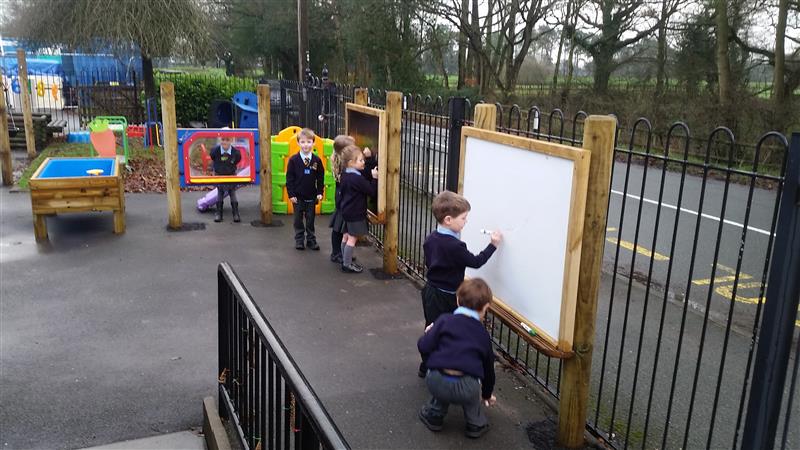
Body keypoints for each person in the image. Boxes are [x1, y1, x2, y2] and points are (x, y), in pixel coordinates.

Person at [418, 190, 502, 377]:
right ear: (448, 219)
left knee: (432, 326)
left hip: (430, 291)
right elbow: (476, 261)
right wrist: (493, 245)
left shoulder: (432, 238)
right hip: (446, 296)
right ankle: (439, 367)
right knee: (446, 329)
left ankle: (426, 365)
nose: (466, 222)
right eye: (463, 218)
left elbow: (430, 262)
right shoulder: (455, 246)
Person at [417, 278, 497, 439]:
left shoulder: (444, 320)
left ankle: (434, 415)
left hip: (436, 381)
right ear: (485, 308)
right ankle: (475, 424)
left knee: (441, 388)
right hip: (467, 388)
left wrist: (429, 335)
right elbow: (489, 370)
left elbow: (423, 346)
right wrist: (487, 394)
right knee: (473, 394)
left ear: (457, 300)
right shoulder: (483, 335)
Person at [335, 145, 378, 273]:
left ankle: (344, 259)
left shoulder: (346, 174)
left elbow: (364, 172)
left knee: (346, 236)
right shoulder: (356, 178)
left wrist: (369, 159)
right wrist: (375, 178)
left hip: (346, 210)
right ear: (351, 163)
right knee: (352, 239)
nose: (363, 162)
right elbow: (371, 191)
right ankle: (347, 265)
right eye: (361, 160)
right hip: (355, 212)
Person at [286, 128, 325, 250]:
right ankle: (299, 240)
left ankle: (311, 240)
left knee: (310, 219)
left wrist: (319, 192)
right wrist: (291, 194)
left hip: (311, 196)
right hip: (297, 196)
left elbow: (320, 177)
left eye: (308, 142)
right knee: (298, 219)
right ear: (298, 143)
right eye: (302, 142)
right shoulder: (293, 160)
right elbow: (289, 178)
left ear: (313, 143)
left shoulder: (316, 160)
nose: (306, 145)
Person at [328, 135, 355, 263]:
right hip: (343, 199)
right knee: (338, 228)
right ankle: (336, 253)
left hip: (341, 197)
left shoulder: (339, 160)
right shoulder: (344, 166)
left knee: (341, 227)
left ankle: (341, 252)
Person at [209, 134, 243, 223]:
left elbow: (238, 159)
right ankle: (219, 213)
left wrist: (231, 166)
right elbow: (212, 157)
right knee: (220, 193)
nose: (224, 142)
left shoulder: (235, 152)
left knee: (232, 193)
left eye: (227, 140)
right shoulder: (215, 151)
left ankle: (236, 213)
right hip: (219, 175)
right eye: (223, 139)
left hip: (231, 176)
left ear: (231, 140)